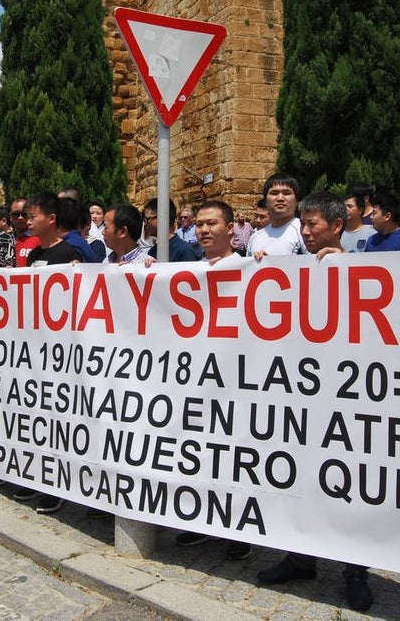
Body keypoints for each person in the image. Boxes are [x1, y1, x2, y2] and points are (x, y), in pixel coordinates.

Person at [256, 191, 372, 612]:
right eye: (302, 226)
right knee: (299, 479)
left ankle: (355, 572)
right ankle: (300, 557)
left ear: (336, 227)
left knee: (349, 486)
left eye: (313, 225)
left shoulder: (363, 267)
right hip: (297, 396)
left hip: (345, 398)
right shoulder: (292, 268)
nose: (304, 232)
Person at [173, 199, 254, 561]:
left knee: (234, 457)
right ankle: (200, 520)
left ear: (231, 228)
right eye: (200, 224)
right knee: (200, 454)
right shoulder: (190, 270)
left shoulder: (250, 267)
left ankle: (237, 530)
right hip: (198, 382)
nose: (204, 230)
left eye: (213, 224)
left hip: (236, 380)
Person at [247, 173, 306, 260]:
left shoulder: (305, 232)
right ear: (266, 201)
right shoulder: (255, 237)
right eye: (274, 193)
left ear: (296, 200)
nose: (280, 198)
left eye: (286, 193)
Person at [143, 198, 200, 262]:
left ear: (162, 218)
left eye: (148, 219)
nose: (145, 224)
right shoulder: (152, 252)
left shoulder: (185, 252)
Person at [9, 197, 40, 267]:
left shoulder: (39, 239)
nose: (20, 218)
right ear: (10, 216)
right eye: (16, 214)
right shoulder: (5, 239)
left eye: (24, 214)